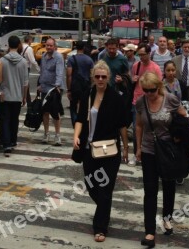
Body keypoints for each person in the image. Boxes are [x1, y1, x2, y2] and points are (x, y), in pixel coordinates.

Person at [73, 60, 128, 243]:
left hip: (110, 151)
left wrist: (126, 148)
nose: (100, 79)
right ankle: (104, 210)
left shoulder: (116, 98)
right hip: (89, 150)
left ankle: (100, 227)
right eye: (97, 76)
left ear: (109, 78)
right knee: (91, 186)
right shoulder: (87, 94)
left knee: (105, 189)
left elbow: (122, 126)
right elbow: (80, 118)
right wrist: (76, 136)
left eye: (104, 76)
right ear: (93, 77)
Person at [135, 72, 187, 246]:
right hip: (149, 150)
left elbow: (185, 119)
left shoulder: (170, 99)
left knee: (168, 186)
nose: (149, 93)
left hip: (168, 150)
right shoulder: (141, 102)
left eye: (152, 90)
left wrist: (178, 137)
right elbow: (139, 125)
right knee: (150, 191)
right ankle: (149, 231)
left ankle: (167, 218)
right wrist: (138, 148)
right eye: (145, 90)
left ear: (159, 87)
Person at [129, 45, 162, 166]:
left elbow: (159, 85)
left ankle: (150, 153)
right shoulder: (136, 66)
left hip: (151, 102)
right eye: (140, 55)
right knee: (136, 128)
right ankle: (136, 153)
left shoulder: (155, 68)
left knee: (151, 129)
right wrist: (133, 79)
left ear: (149, 54)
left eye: (143, 54)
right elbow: (132, 80)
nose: (141, 57)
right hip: (137, 100)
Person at [0, 35, 29, 156]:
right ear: (18, 45)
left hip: (4, 95)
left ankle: (5, 144)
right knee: (14, 119)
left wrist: (0, 91)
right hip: (17, 96)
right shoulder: (23, 62)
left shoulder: (2, 61)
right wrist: (24, 96)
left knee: (5, 119)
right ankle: (12, 140)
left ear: (8, 45)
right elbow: (25, 82)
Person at [38, 37, 65, 146]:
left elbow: (59, 72)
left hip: (54, 89)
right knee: (45, 112)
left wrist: (57, 86)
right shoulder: (44, 56)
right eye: (47, 45)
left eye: (51, 45)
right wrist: (39, 84)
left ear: (54, 46)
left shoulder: (58, 57)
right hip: (44, 87)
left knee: (55, 112)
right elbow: (42, 72)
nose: (48, 47)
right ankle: (46, 133)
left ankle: (57, 135)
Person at [66, 41, 94, 126]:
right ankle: (83, 124)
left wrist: (69, 89)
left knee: (73, 107)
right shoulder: (89, 59)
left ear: (75, 48)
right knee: (84, 107)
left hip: (74, 86)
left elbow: (69, 75)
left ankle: (75, 124)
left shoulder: (71, 59)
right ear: (84, 48)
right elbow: (92, 75)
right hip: (85, 86)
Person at [22, 34, 40, 104]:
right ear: (29, 40)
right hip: (26, 67)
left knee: (24, 84)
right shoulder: (29, 48)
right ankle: (28, 102)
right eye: (32, 40)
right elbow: (32, 60)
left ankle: (27, 101)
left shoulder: (21, 46)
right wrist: (38, 69)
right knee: (26, 84)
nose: (32, 41)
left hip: (19, 67)